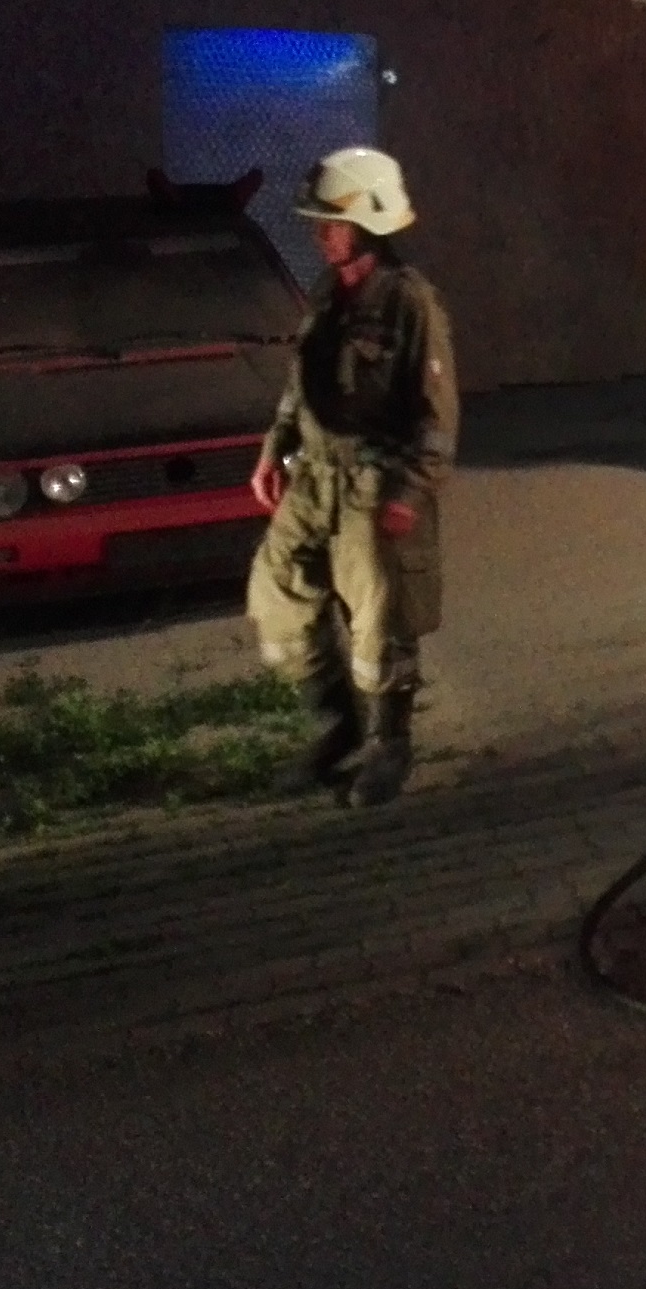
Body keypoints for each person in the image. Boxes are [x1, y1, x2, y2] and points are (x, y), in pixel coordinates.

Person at [249, 148, 457, 806]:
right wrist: (274, 447)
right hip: (315, 477)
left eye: (331, 222)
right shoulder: (326, 293)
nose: (320, 234)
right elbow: (301, 380)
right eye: (317, 222)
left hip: (375, 484)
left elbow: (437, 415)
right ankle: (338, 727)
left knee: (379, 623)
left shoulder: (410, 302)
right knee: (277, 593)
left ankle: (390, 746)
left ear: (370, 221)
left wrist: (411, 491)